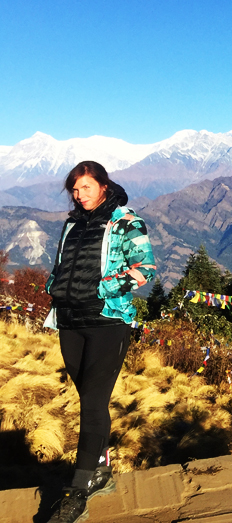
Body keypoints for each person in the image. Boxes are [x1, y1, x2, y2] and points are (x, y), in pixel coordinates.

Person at [43, 160, 156, 523]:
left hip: (108, 321)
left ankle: (77, 493)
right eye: (75, 190)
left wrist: (100, 288)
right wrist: (54, 287)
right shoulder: (72, 222)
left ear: (103, 186)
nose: (80, 195)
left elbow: (146, 269)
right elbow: (63, 262)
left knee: (92, 404)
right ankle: (101, 467)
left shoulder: (126, 221)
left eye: (86, 188)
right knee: (89, 397)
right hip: (70, 321)